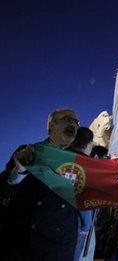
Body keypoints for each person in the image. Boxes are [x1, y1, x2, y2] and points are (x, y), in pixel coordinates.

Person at [0, 108, 80, 260]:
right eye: (67, 119)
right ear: (51, 126)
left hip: (57, 249)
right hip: (22, 246)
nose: (73, 124)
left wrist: (114, 179)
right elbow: (3, 190)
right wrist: (19, 171)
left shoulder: (81, 163)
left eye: (76, 122)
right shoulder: (28, 152)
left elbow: (93, 196)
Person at [69, 127, 98, 261]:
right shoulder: (91, 166)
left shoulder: (63, 158)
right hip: (78, 223)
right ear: (90, 144)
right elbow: (85, 199)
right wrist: (86, 227)